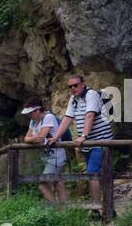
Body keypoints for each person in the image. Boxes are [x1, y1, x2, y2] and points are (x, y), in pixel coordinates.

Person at [49, 73, 114, 209]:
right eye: (70, 86)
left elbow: (90, 115)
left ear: (82, 84)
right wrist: (56, 136)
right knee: (96, 175)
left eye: (75, 85)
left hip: (101, 141)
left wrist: (83, 135)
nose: (73, 88)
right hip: (88, 144)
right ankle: (106, 207)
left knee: (92, 173)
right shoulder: (74, 99)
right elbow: (67, 118)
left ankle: (97, 208)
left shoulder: (91, 95)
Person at [22, 101, 67, 206]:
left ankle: (57, 209)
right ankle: (65, 210)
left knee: (43, 184)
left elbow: (41, 138)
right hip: (48, 156)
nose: (29, 115)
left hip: (56, 156)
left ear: (38, 110)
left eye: (31, 112)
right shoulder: (33, 121)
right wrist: (33, 139)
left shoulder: (48, 117)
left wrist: (32, 139)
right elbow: (26, 138)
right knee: (57, 182)